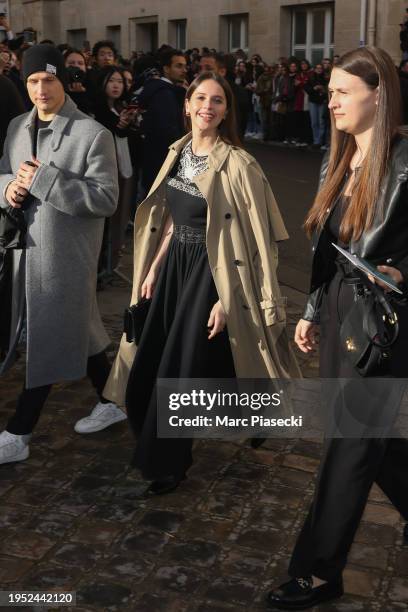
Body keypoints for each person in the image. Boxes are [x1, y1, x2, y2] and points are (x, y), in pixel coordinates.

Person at [102, 72, 301, 496]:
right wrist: (153, 268)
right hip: (175, 266)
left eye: (217, 100)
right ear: (188, 105)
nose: (208, 106)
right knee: (153, 364)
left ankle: (168, 465)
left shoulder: (240, 164)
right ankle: (254, 413)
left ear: (226, 111)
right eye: (201, 98)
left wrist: (225, 300)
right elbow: (172, 221)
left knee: (180, 371)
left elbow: (256, 239)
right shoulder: (178, 152)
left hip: (213, 276)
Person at [267, 46, 408, 610]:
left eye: (343, 91)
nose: (331, 102)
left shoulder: (404, 160)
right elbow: (330, 253)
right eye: (329, 92)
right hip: (340, 315)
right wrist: (310, 310)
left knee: (349, 445)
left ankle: (320, 570)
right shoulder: (339, 158)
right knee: (368, 441)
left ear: (379, 94)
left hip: (385, 323)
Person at [0, 44, 122, 464]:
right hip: (26, 252)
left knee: (48, 336)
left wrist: (47, 180)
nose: (40, 89)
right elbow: (4, 171)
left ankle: (20, 431)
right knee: (79, 328)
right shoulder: (17, 126)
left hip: (64, 256)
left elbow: (106, 198)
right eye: (32, 81)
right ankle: (112, 398)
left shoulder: (92, 133)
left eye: (48, 79)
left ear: (62, 81)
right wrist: (8, 188)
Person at [93, 66, 135, 271]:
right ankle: (101, 268)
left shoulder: (121, 107)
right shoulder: (97, 110)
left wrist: (126, 125)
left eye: (120, 81)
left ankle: (112, 262)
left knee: (119, 216)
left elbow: (122, 135)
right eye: (111, 81)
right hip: (105, 170)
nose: (117, 85)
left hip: (123, 166)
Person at [138, 48, 186, 195]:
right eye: (178, 66)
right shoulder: (164, 94)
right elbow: (168, 131)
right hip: (162, 161)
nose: (184, 70)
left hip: (158, 160)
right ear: (166, 68)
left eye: (185, 66)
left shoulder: (166, 90)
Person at [304, 63, 328, 149]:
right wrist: (314, 88)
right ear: (314, 69)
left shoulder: (326, 78)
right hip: (313, 101)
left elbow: (329, 89)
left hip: (322, 101)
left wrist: (322, 89)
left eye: (320, 68)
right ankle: (316, 141)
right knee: (314, 122)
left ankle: (321, 141)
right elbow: (306, 88)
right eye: (317, 68)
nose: (319, 69)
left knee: (321, 122)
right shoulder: (311, 77)